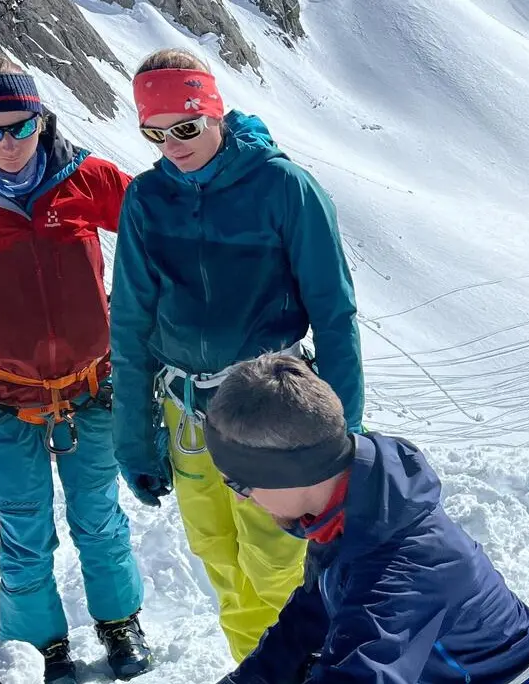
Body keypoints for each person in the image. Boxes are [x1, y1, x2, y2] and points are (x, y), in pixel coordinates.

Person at [109, 48, 366, 663]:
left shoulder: (284, 188)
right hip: (187, 413)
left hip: (269, 407)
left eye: (186, 126)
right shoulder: (147, 198)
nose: (172, 143)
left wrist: (343, 432)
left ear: (214, 113)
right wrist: (133, 440)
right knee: (219, 556)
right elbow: (130, 322)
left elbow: (334, 314)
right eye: (154, 132)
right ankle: (258, 671)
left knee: (279, 561)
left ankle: (314, 669)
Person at [203, 354, 529, 684]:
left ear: (292, 473)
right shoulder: (356, 502)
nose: (239, 497)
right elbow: (309, 620)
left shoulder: (405, 566)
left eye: (240, 482)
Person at [0, 55, 153, 682]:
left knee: (98, 516)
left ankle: (119, 623)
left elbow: (161, 224)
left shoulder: (85, 179)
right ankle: (38, 644)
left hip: (92, 388)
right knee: (24, 529)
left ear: (42, 120)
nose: (8, 143)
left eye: (21, 125)